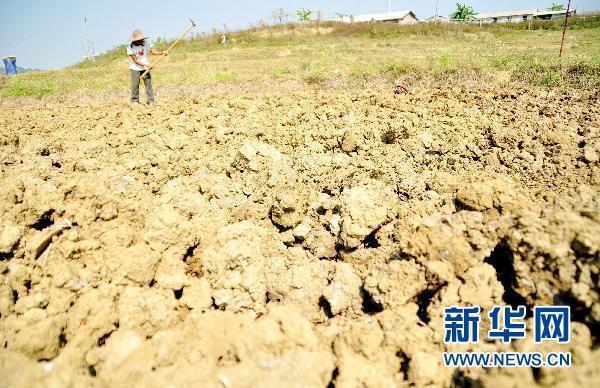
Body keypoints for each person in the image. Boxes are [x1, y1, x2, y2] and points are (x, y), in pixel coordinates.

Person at [127, 29, 167, 104]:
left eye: (141, 39)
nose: (141, 41)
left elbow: (152, 51)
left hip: (145, 67)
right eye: (139, 40)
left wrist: (161, 53)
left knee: (148, 84)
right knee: (135, 85)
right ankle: (134, 101)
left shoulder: (146, 42)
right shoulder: (130, 47)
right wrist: (147, 65)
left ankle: (150, 100)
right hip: (135, 68)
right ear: (134, 41)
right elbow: (135, 60)